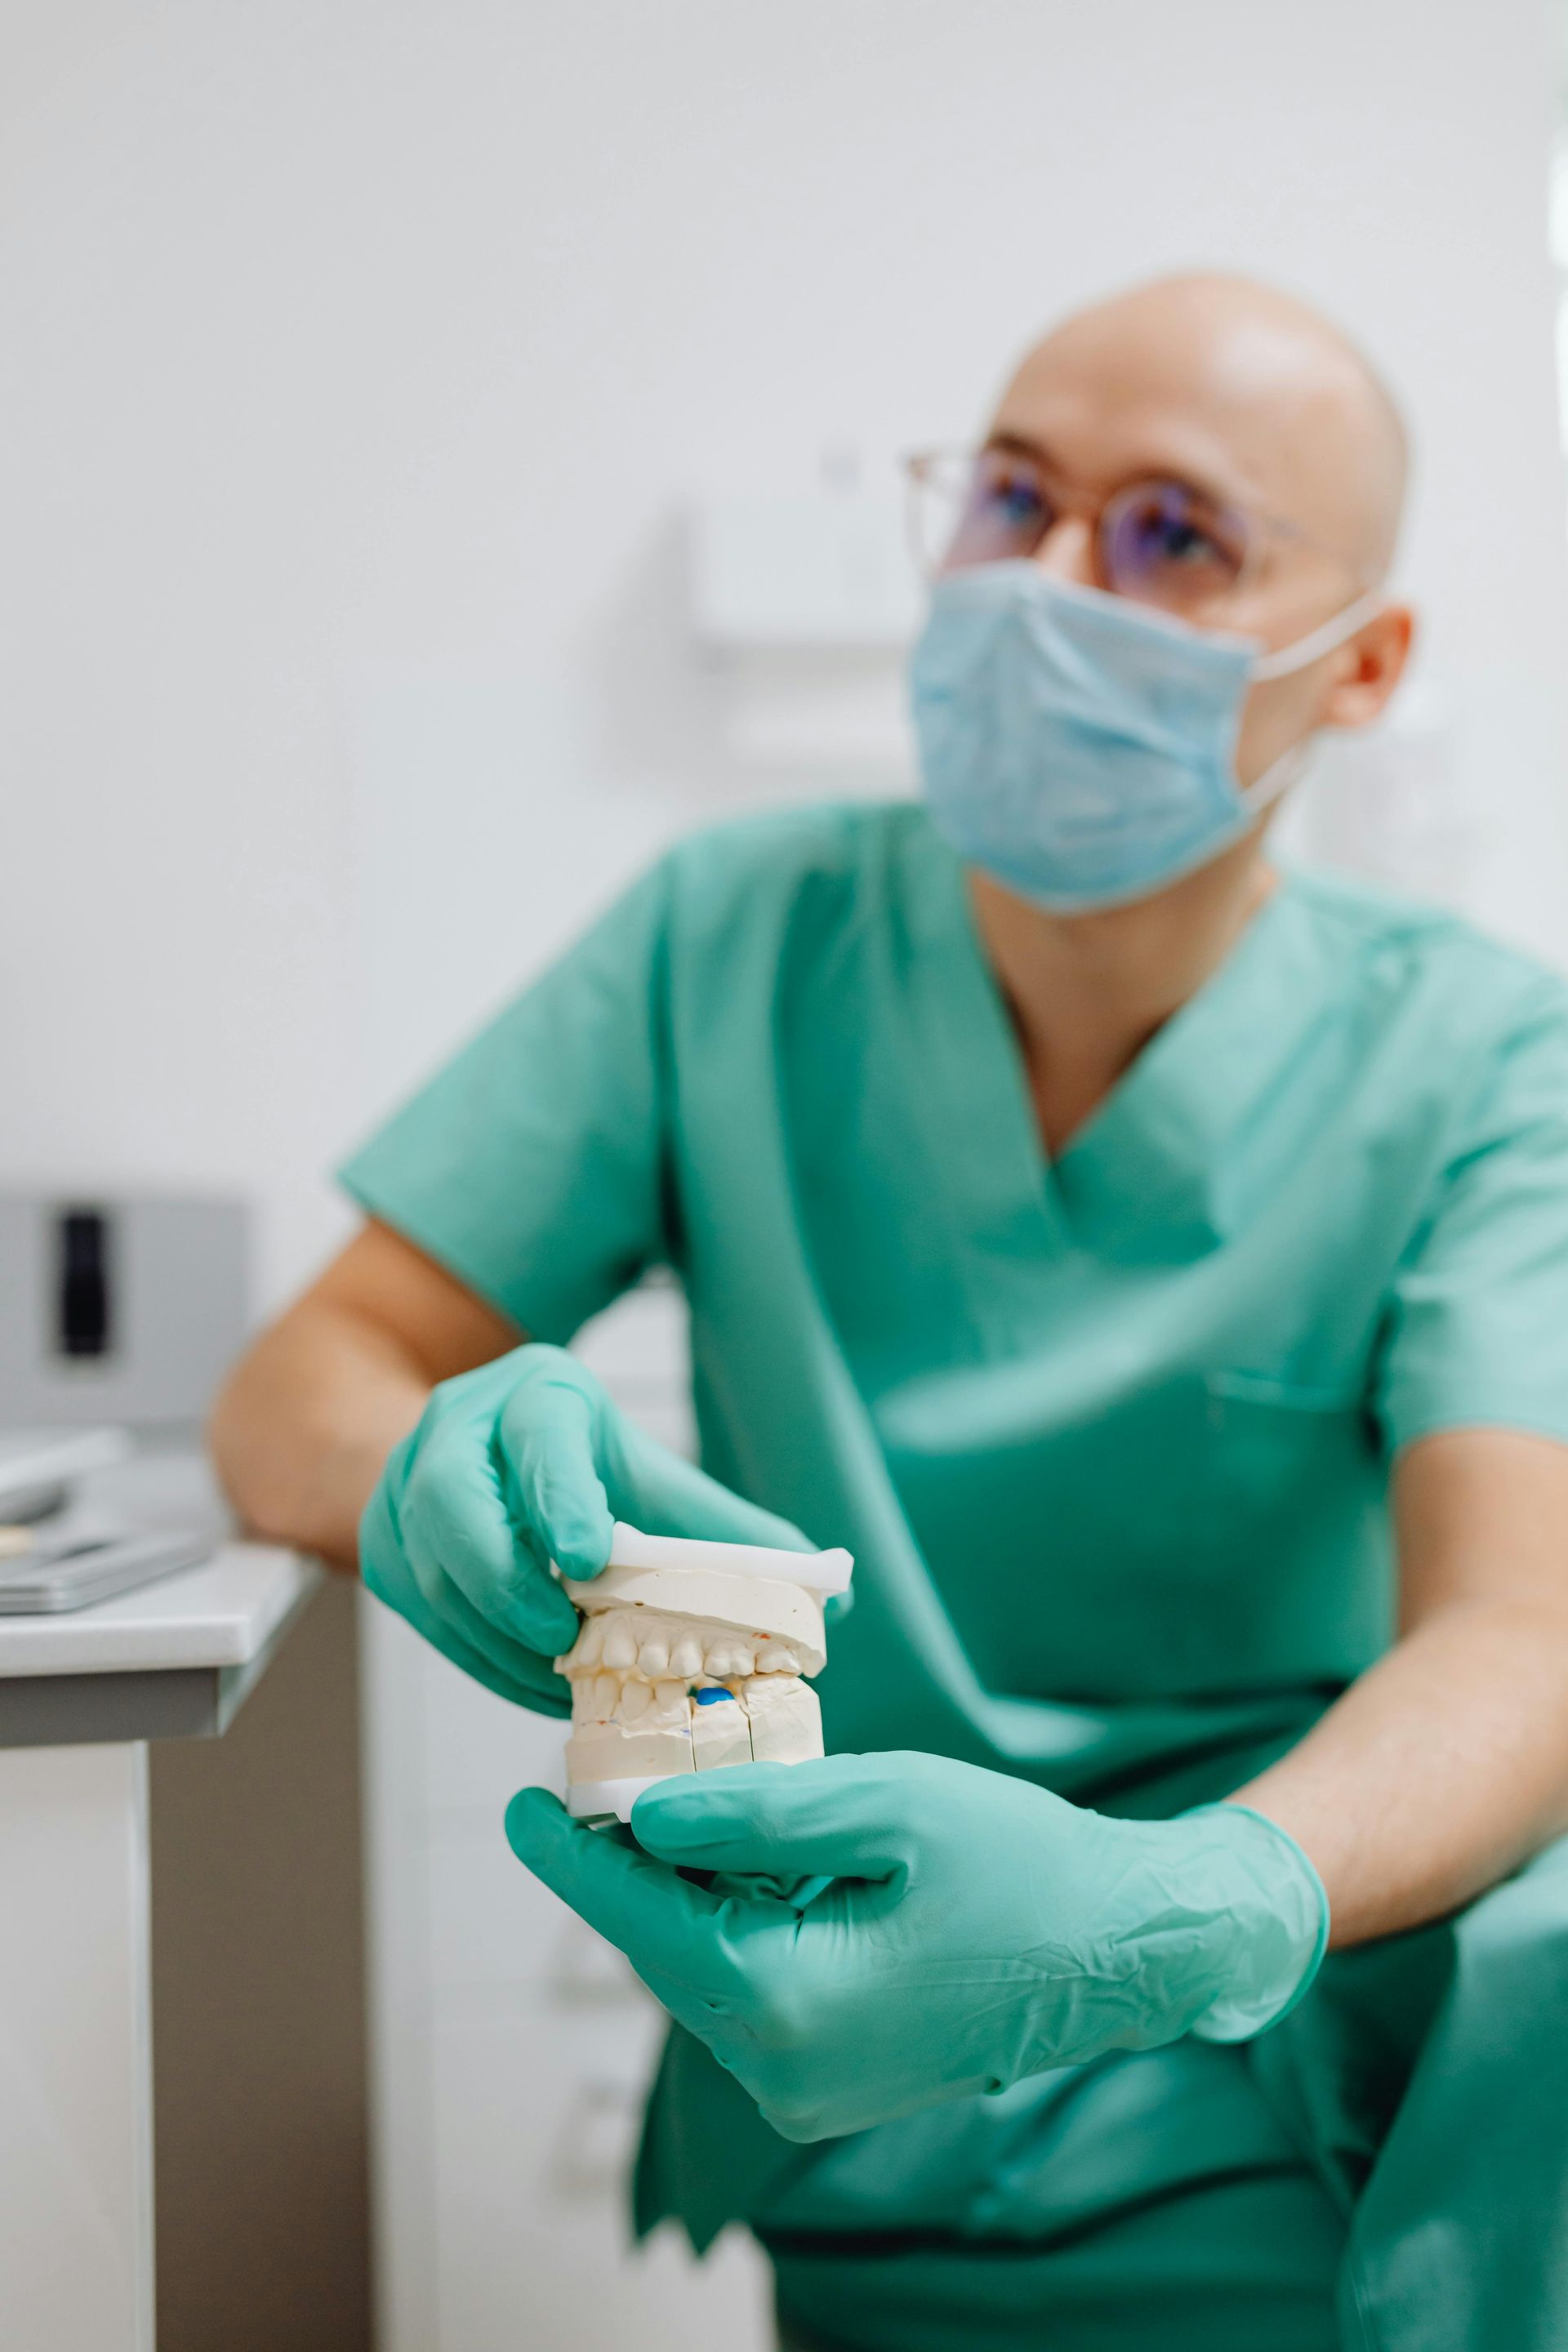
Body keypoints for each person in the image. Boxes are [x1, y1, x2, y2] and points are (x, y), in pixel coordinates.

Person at [212, 272, 1568, 2352]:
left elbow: (1528, 1629)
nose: (1043, 583)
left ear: (1361, 665)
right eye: (1009, 496)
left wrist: (1188, 1908)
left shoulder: (1483, 1060)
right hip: (850, 2082)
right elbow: (303, 1374)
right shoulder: (730, 937)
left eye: (1170, 534)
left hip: (1294, 2118)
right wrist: (423, 1473)